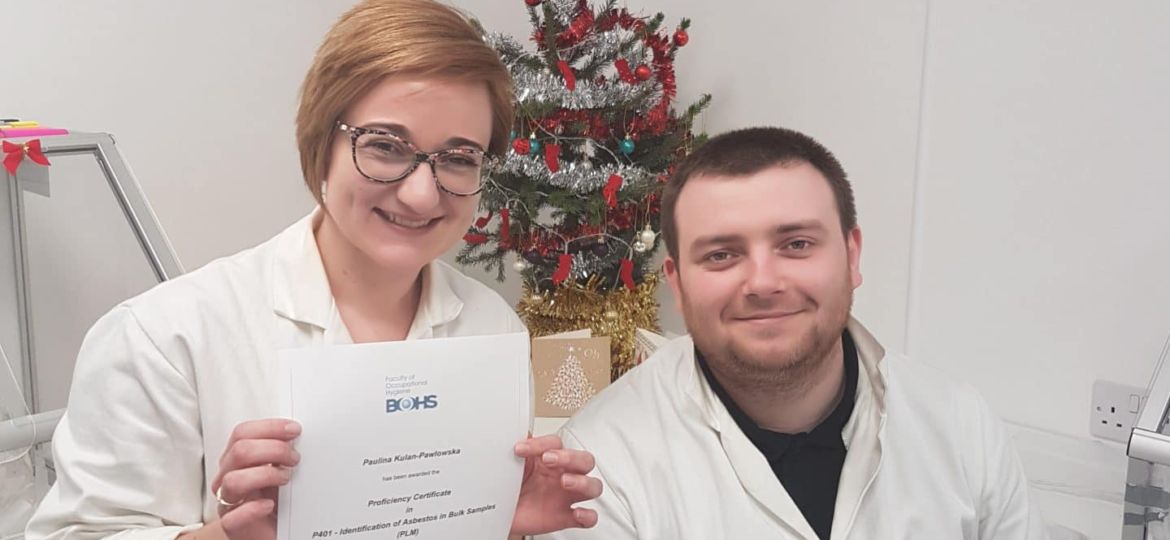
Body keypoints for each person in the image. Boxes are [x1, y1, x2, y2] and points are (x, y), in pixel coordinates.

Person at [26, 1, 602, 538]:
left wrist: (499, 519)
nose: (423, 195)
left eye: (458, 158)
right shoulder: (163, 338)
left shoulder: (490, 327)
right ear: (320, 143)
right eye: (385, 146)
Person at [541, 127, 1049, 539]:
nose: (763, 283)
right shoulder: (598, 467)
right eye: (721, 255)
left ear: (851, 256)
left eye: (797, 244)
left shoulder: (960, 425)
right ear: (677, 283)